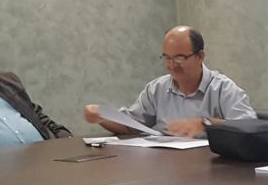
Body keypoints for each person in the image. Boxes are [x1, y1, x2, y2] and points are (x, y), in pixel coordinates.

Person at [83, 26, 255, 138]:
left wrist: (206, 124)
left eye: (179, 58)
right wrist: (102, 117)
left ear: (200, 56)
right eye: (167, 58)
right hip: (163, 166)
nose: (171, 66)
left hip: (211, 169)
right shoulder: (157, 89)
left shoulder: (223, 89)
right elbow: (131, 126)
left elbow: (251, 127)